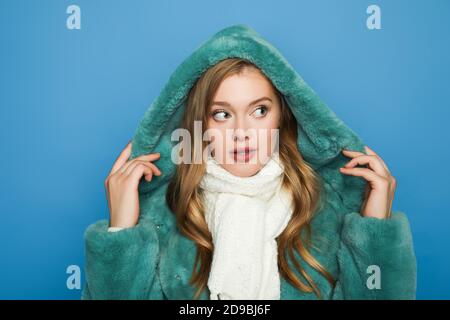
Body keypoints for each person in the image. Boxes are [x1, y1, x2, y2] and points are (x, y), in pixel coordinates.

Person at [81, 24, 416, 300]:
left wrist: (375, 230)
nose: (242, 132)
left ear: (282, 117)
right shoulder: (164, 216)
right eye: (222, 114)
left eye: (259, 111)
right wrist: (121, 230)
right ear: (201, 126)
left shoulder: (326, 208)